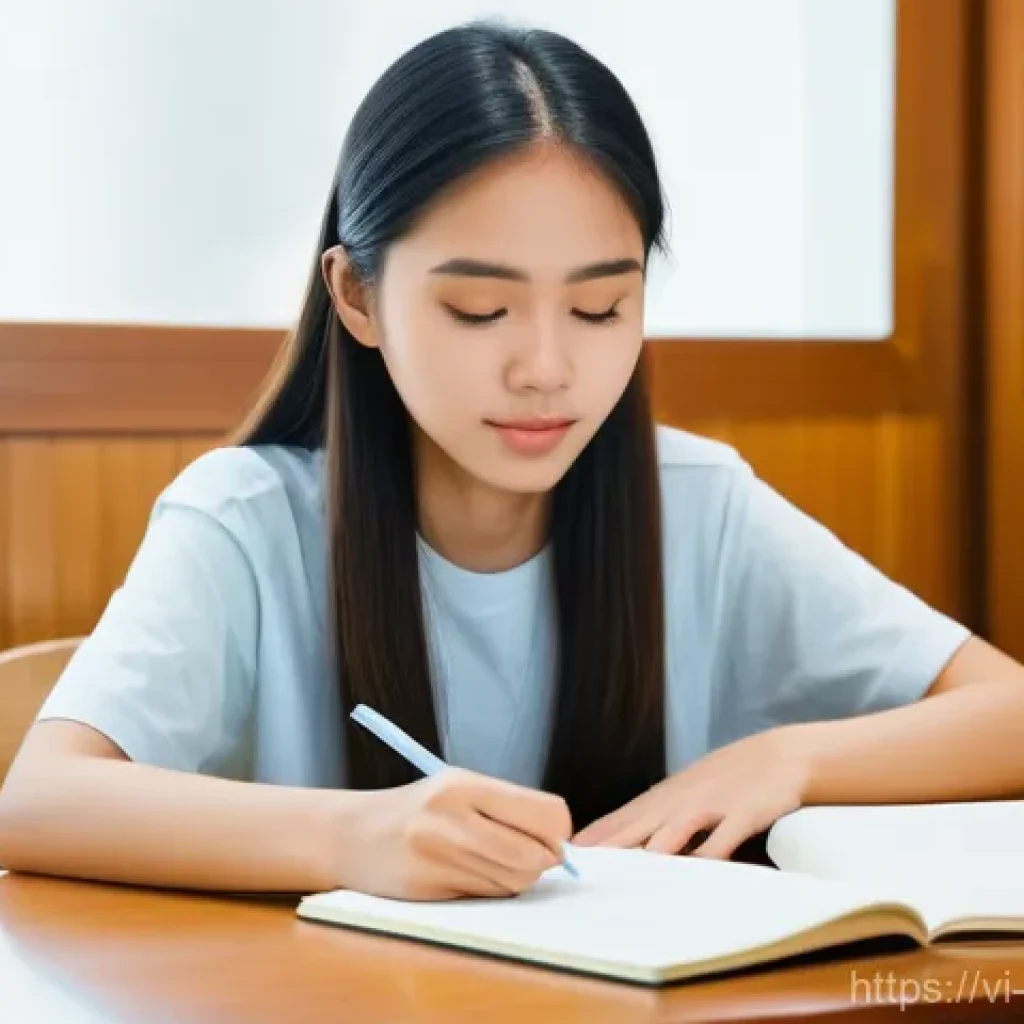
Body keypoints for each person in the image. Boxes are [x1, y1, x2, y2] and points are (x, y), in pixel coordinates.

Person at [1, 20, 1022, 903]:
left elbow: (1006, 709)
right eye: (479, 309)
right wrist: (357, 836)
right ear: (356, 297)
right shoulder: (247, 520)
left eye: (599, 307)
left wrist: (783, 760)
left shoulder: (698, 508)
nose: (547, 367)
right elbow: (38, 801)